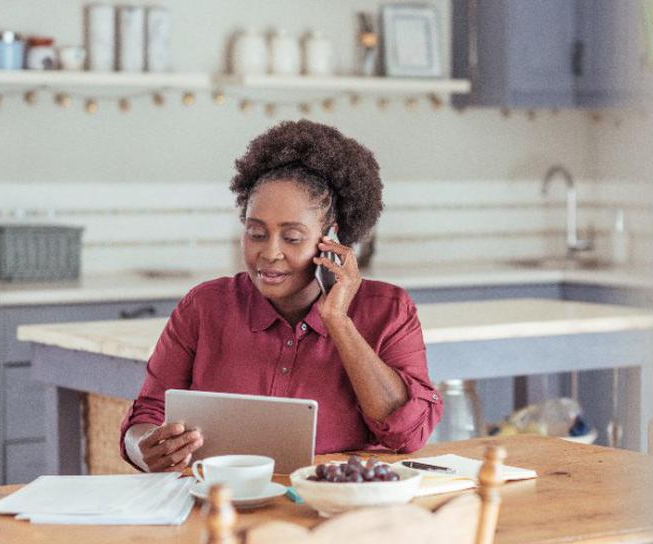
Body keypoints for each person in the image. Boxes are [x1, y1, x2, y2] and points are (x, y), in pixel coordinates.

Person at [120, 120, 443, 472]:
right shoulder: (204, 307)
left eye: (291, 237)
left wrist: (337, 320)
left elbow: (408, 434)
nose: (270, 253)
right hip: (222, 505)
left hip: (334, 508)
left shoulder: (389, 310)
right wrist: (144, 448)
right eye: (256, 233)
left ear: (331, 239)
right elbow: (147, 414)